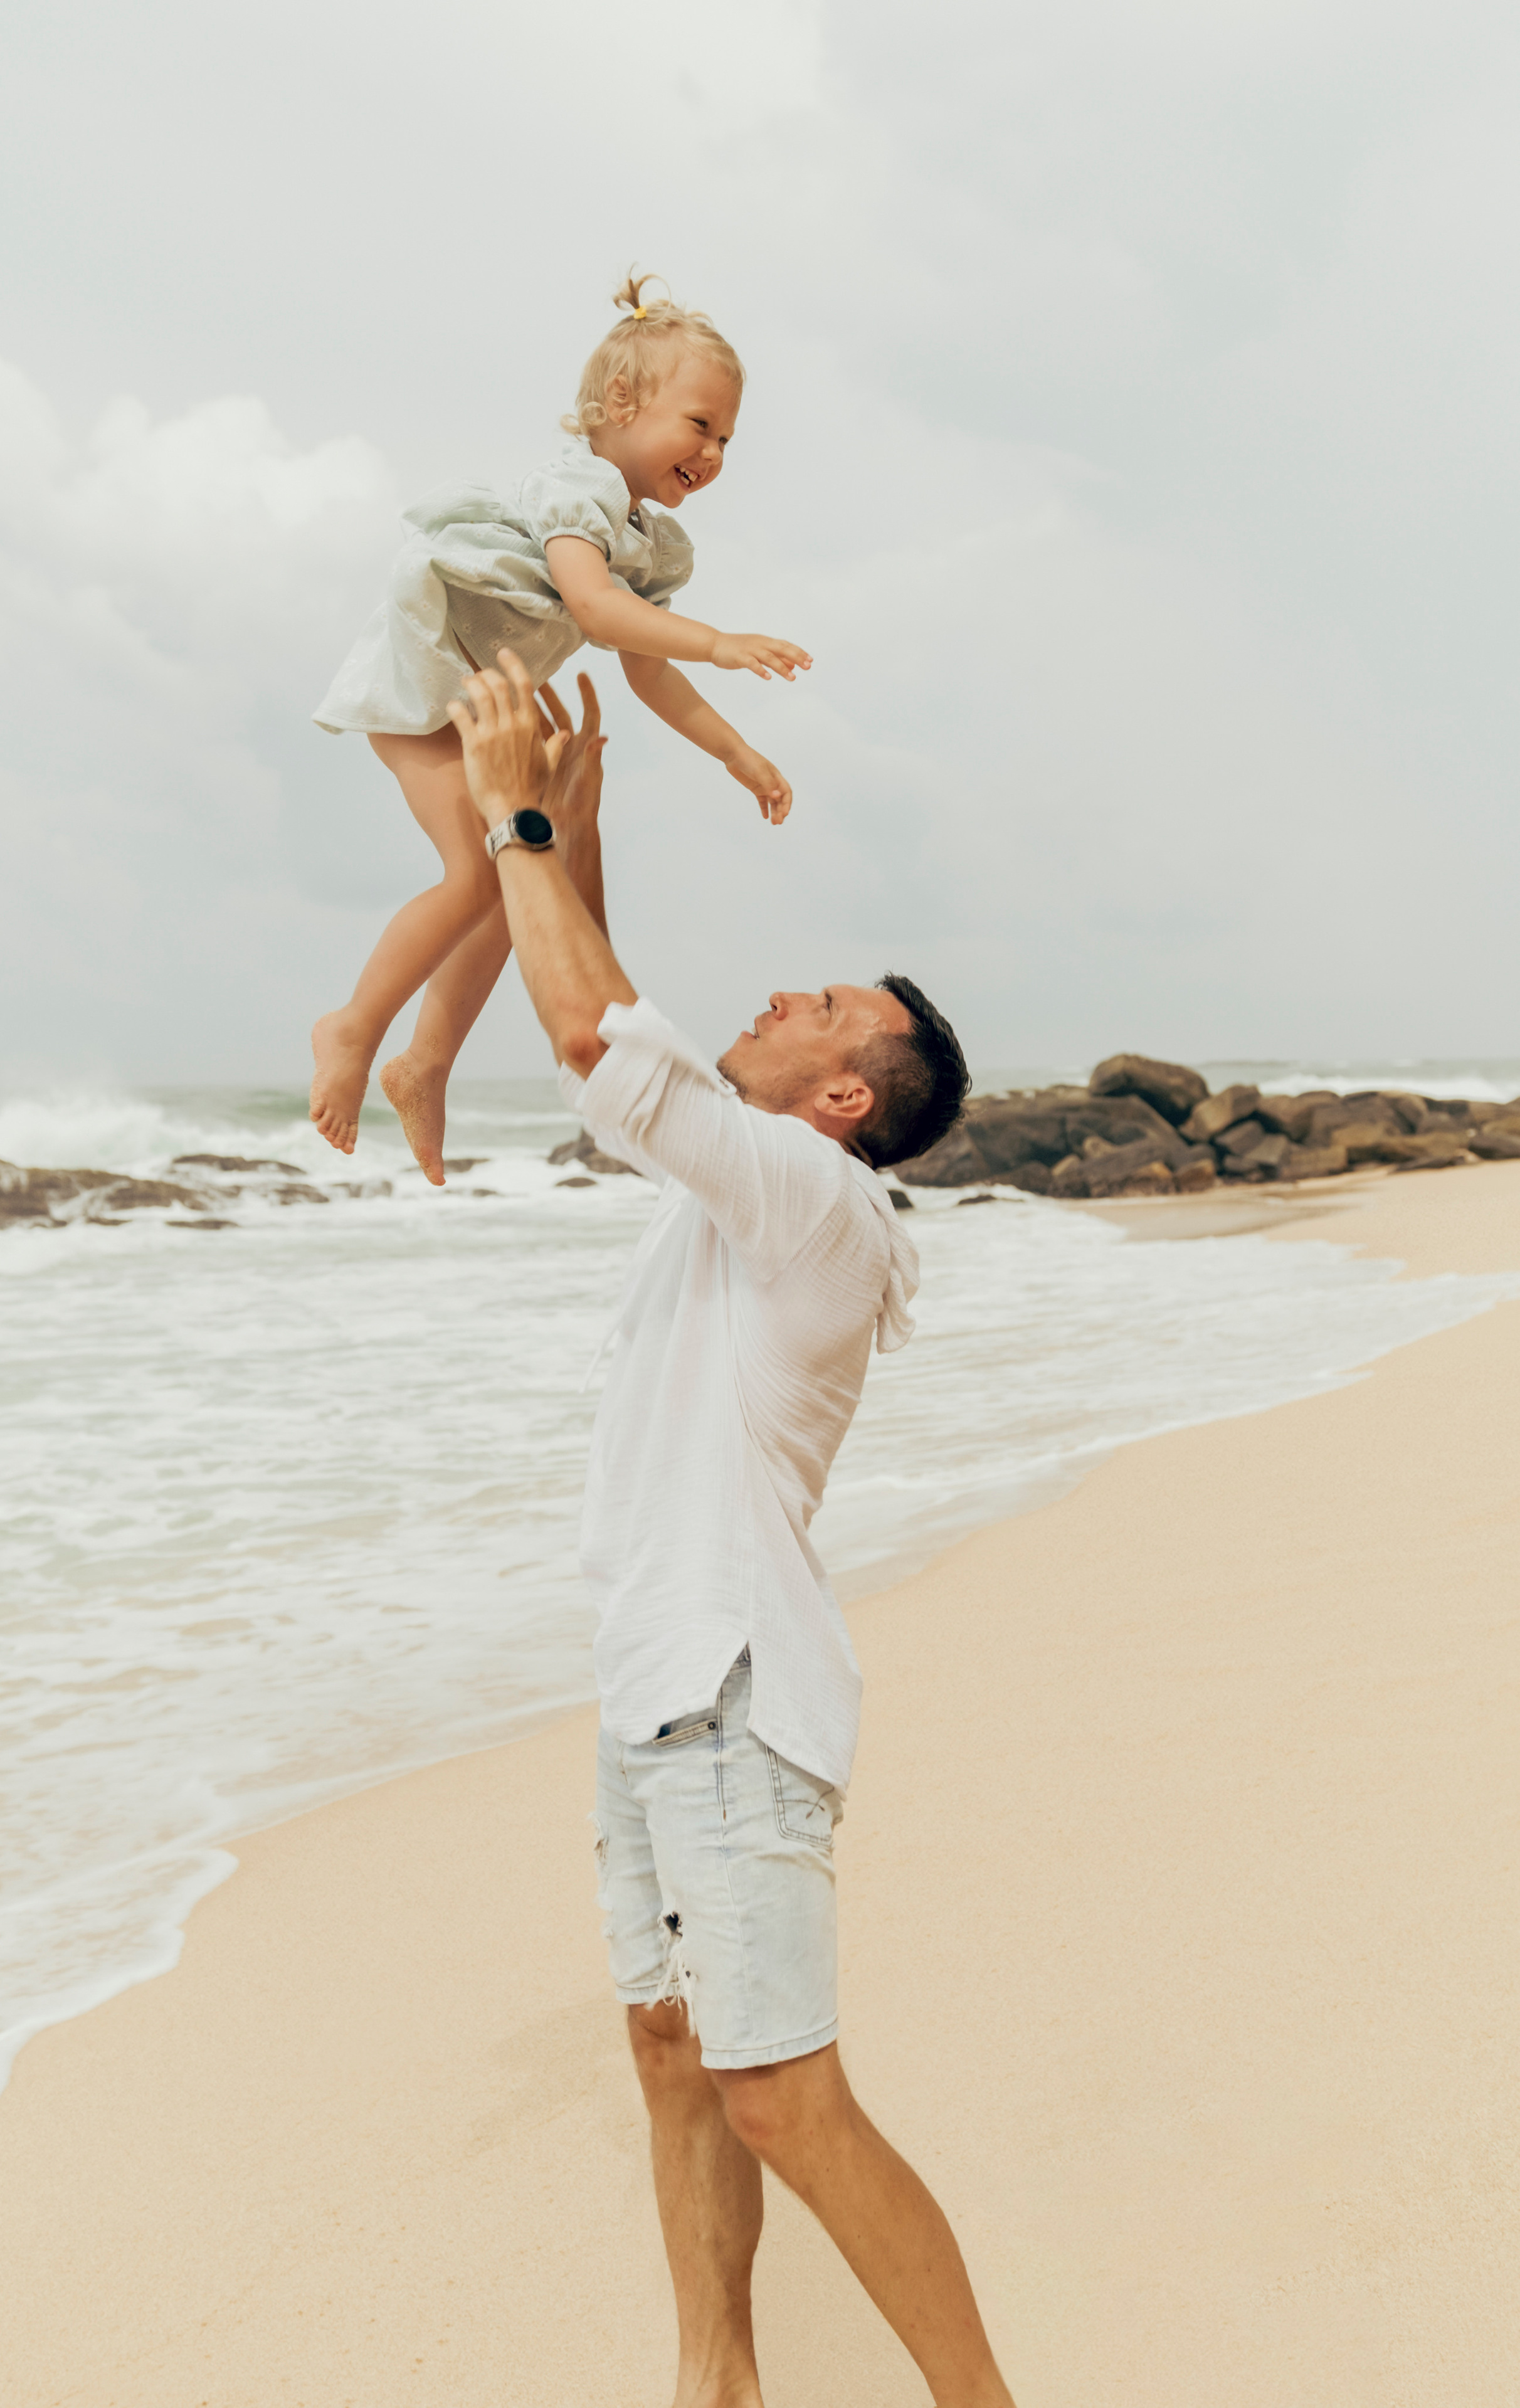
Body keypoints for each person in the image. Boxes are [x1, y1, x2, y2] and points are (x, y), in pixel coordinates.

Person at [447, 649, 1020, 2408]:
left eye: (821, 1006)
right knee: (673, 2050)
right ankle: (720, 2385)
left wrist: (518, 820)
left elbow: (587, 1041)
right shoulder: (752, 1183)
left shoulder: (816, 1201)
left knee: (781, 2088)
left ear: (849, 1098)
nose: (777, 995)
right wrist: (575, 828)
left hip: (738, 1695)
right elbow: (617, 1024)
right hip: (653, 1688)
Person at [307, 270, 811, 1183]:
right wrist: (718, 640)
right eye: (701, 425)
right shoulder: (574, 493)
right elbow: (596, 609)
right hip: (425, 683)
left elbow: (647, 675)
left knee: (510, 877)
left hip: (474, 705)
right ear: (621, 403)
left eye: (729, 437)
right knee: (476, 874)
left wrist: (739, 753)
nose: (716, 452)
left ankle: (426, 1064)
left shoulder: (650, 545)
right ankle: (352, 1028)